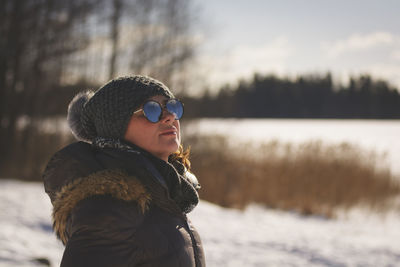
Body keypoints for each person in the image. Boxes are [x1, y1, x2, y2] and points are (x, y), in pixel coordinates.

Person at [42, 75, 205, 267]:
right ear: (115, 128)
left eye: (171, 107)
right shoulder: (111, 210)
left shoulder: (166, 193)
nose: (169, 116)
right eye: (151, 109)